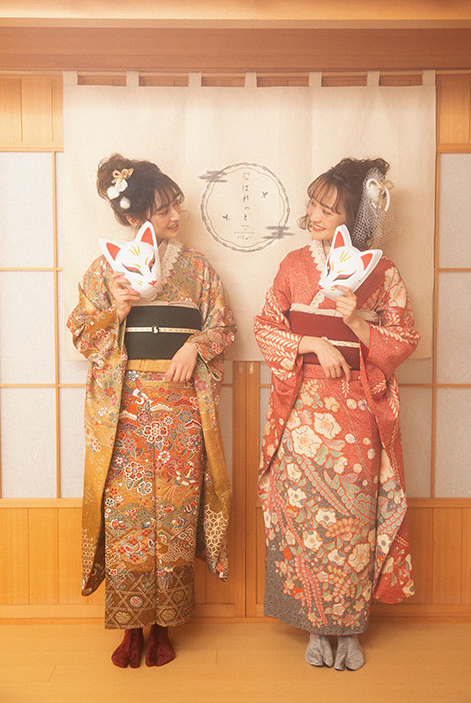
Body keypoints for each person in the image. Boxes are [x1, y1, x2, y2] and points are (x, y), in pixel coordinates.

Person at [68, 153, 236, 668]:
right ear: (133, 215)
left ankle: (164, 625)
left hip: (181, 408)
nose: (175, 217)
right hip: (125, 411)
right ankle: (129, 626)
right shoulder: (105, 270)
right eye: (163, 210)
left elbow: (224, 327)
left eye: (176, 206)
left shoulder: (198, 269)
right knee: (128, 516)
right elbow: (81, 334)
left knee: (176, 516)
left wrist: (194, 346)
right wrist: (116, 311)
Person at [254, 157, 419, 670]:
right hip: (301, 409)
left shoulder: (382, 272)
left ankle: (349, 629)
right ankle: (312, 627)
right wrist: (311, 342)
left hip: (357, 412)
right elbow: (266, 326)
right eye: (313, 205)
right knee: (305, 517)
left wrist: (357, 323)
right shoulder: (293, 265)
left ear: (354, 217)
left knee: (352, 520)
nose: (315, 215)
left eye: (328, 209)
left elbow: (404, 339)